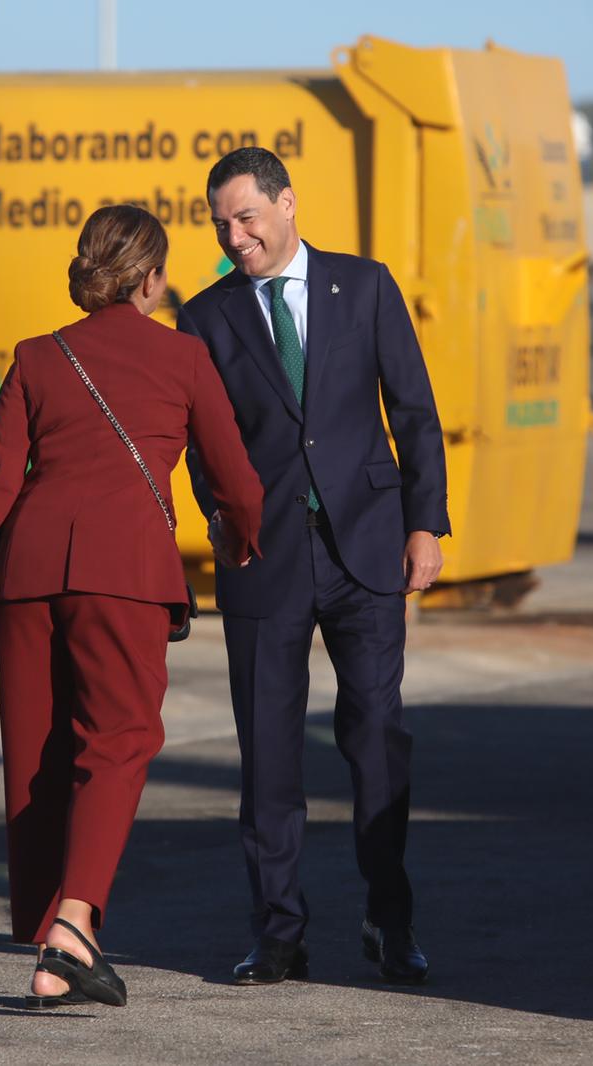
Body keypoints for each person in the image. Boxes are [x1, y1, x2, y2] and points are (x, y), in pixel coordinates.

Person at [0, 204, 263, 1010]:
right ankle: (73, 929)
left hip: (27, 575)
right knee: (119, 742)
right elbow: (235, 477)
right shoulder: (182, 356)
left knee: (42, 758)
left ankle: (53, 946)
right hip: (125, 573)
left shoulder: (37, 357)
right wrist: (244, 539)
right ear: (151, 278)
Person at [177, 148, 450, 986]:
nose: (235, 236)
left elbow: (413, 409)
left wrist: (426, 524)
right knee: (267, 755)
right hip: (266, 557)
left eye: (247, 217)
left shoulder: (363, 287)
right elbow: (199, 434)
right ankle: (280, 932)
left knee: (376, 740)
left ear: (287, 204)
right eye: (221, 223)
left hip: (366, 547)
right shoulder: (205, 315)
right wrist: (221, 517)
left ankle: (389, 919)